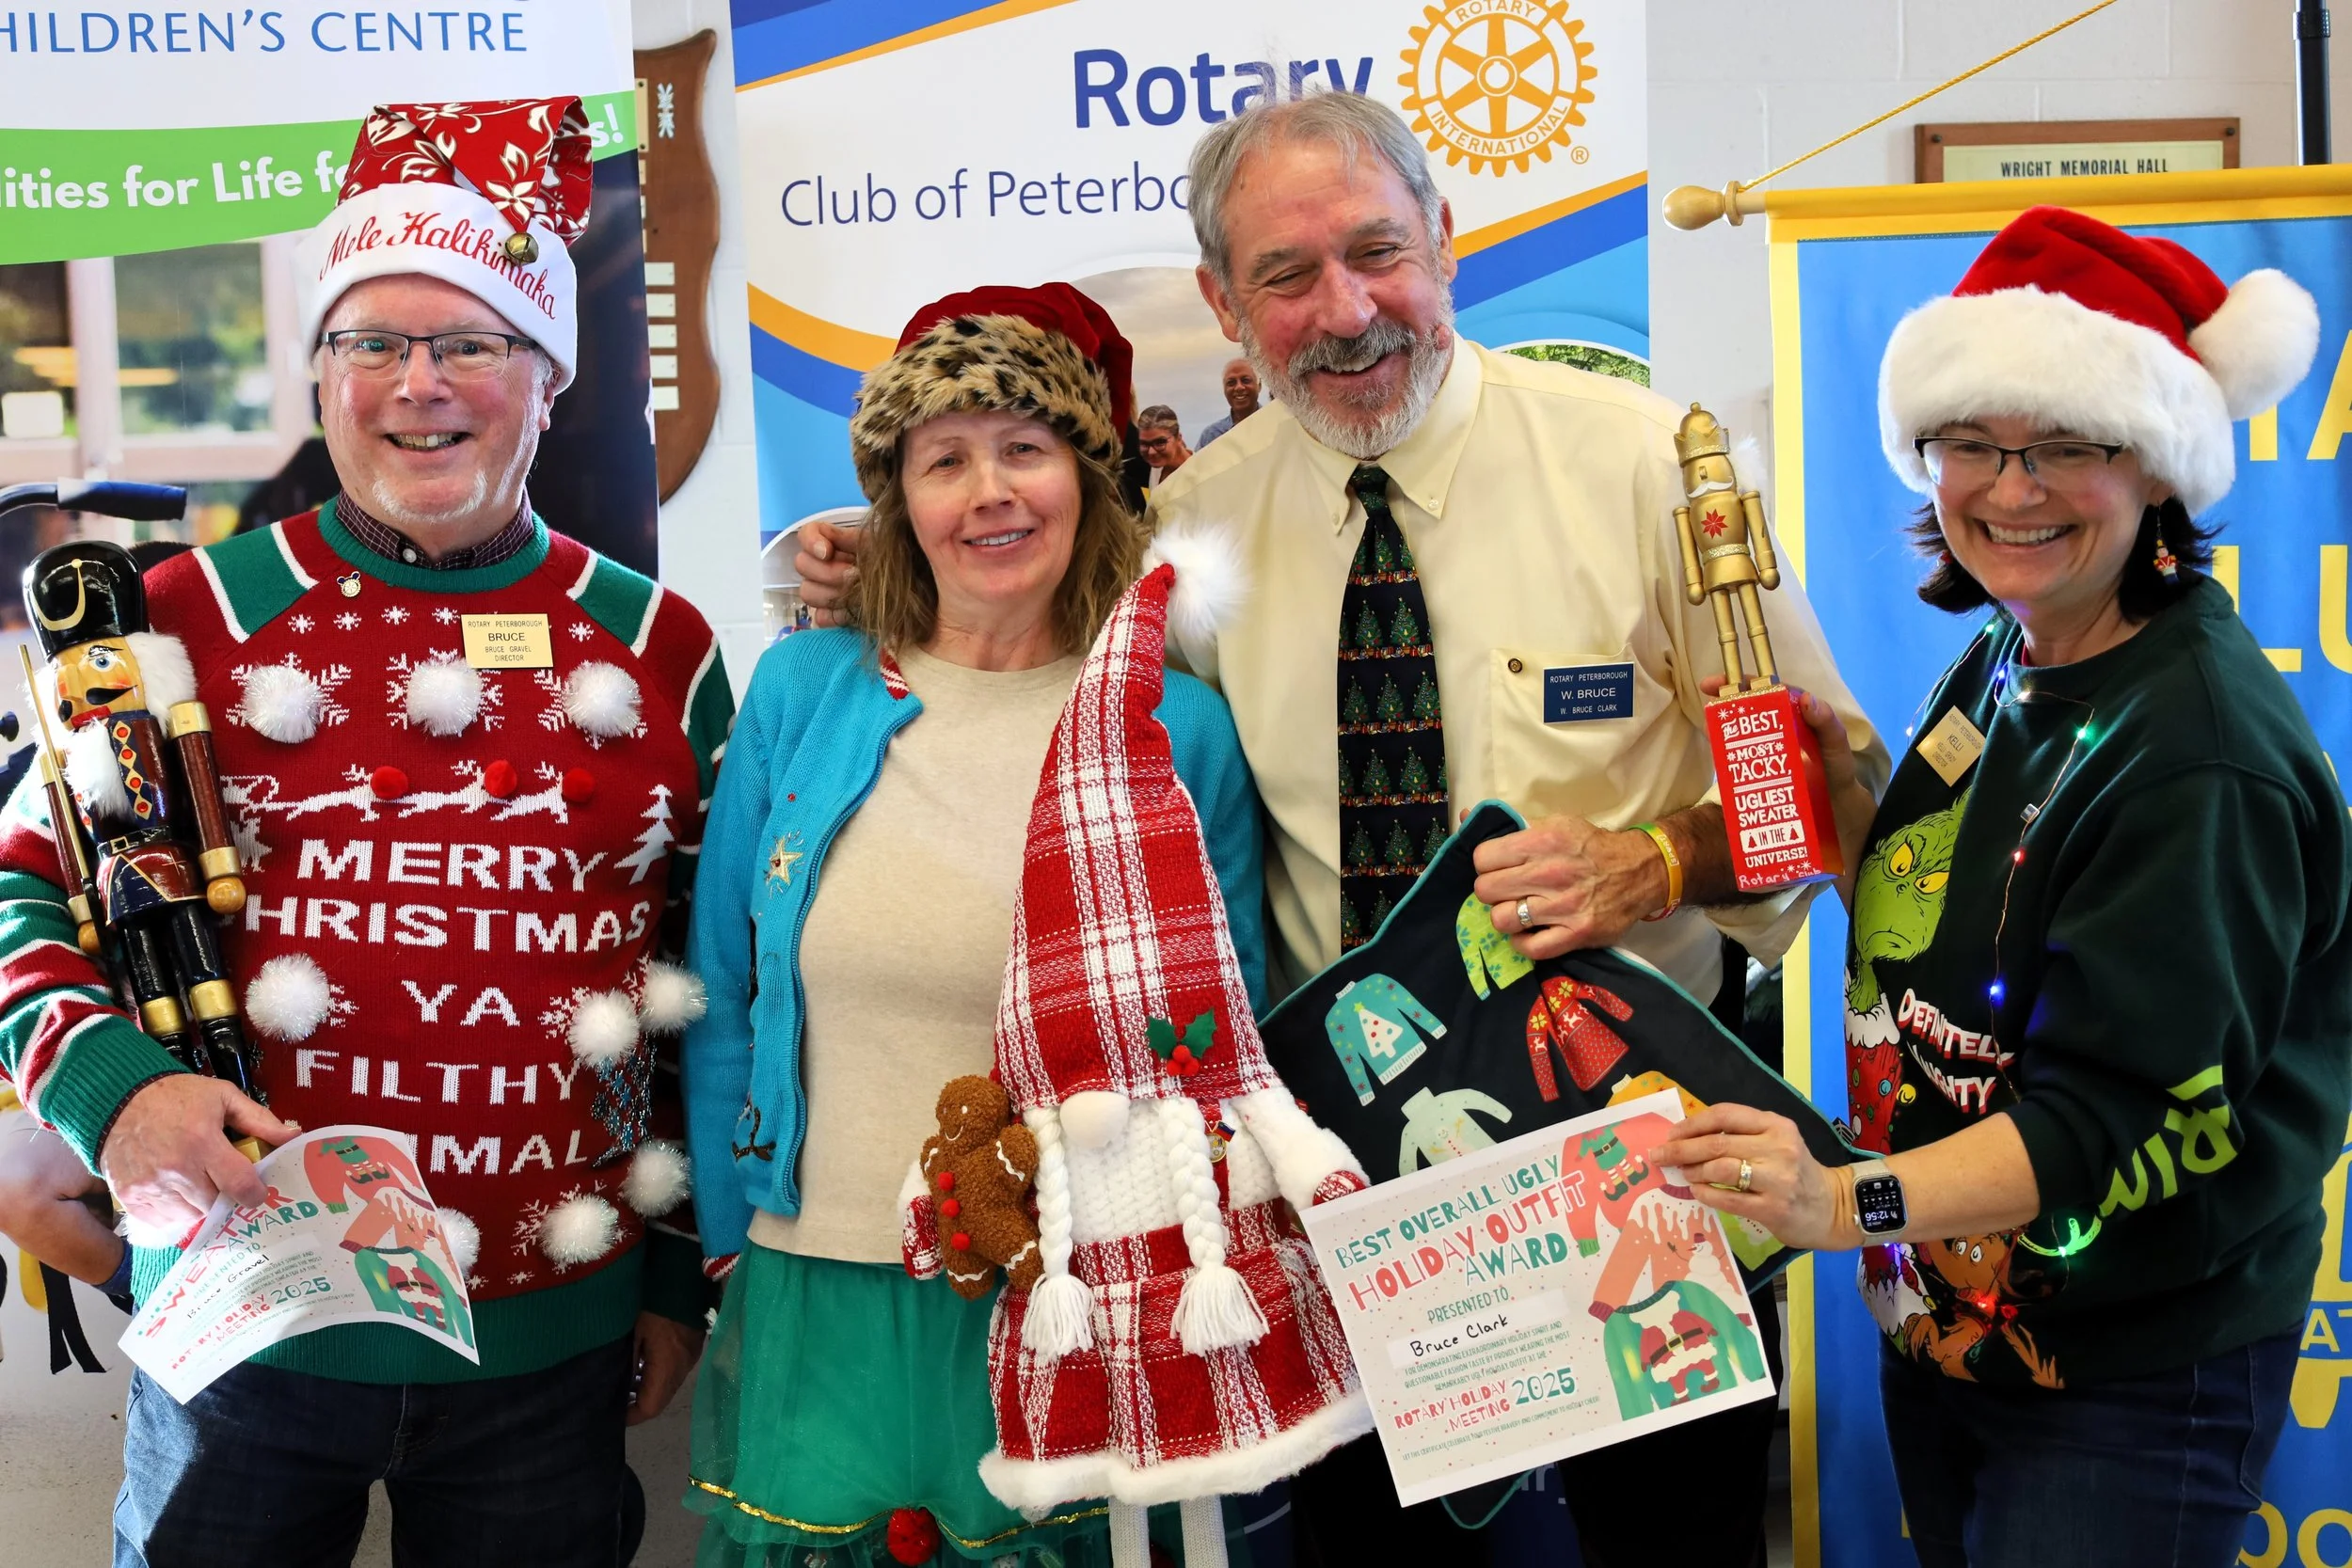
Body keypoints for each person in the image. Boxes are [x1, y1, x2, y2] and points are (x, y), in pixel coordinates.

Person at [794, 91, 1888, 1568]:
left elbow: (1829, 785)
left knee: (1667, 1540)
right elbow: (1026, 642)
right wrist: (865, 568)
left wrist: (1662, 860)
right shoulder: (1185, 531)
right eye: (1289, 276)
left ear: (1447, 237)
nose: (1348, 309)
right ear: (1224, 304)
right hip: (1342, 1180)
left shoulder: (1642, 465)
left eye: (1379, 250)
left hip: (1633, 1158)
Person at [0, 98, 733, 1567]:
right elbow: (20, 892)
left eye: (472, 343)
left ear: (546, 378)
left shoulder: (663, 643)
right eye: (374, 343)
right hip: (243, 1328)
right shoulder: (177, 624)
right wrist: (114, 1097)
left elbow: (704, 983)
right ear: (322, 373)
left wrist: (667, 1270)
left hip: (550, 1344)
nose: (422, 386)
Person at [1658, 207, 2344, 1568]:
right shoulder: (2016, 653)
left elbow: (2099, 1124)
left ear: (2156, 467)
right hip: (1962, 1326)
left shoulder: (2193, 756)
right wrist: (1841, 780)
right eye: (1972, 440)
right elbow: (1929, 918)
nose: (2009, 486)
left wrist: (1832, 1202)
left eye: (2065, 444)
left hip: (2124, 1368)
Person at [680, 284, 1271, 1567]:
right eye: (945, 458)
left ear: (1088, 477)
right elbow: (722, 985)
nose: (988, 490)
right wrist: (733, 1239)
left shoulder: (1180, 728)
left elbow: (1225, 1041)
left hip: (1069, 1291)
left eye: (1025, 447)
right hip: (815, 1274)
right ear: (903, 499)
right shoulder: (803, 690)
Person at [1195, 357, 1262, 447]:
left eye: (1245, 380)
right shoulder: (1211, 436)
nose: (1239, 387)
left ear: (1259, 386)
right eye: (1231, 383)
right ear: (1224, 390)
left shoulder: (1275, 425)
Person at [1136, 404, 1193, 483]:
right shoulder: (1157, 465)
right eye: (1144, 444)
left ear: (1178, 438)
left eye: (1160, 442)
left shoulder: (1200, 474)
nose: (1151, 452)